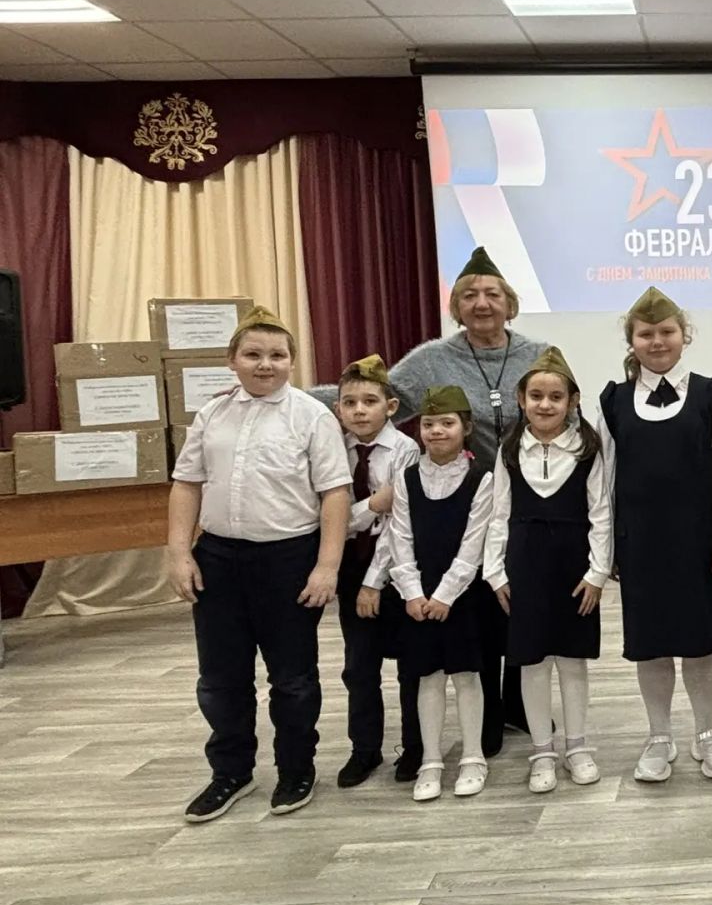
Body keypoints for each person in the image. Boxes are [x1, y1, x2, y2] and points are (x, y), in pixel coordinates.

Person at [310, 246, 545, 743]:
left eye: (492, 294)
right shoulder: (433, 358)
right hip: (462, 504)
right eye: (470, 295)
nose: (482, 303)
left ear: (510, 303)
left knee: (521, 602)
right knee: (481, 607)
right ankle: (488, 710)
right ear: (456, 307)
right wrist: (291, 398)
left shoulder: (535, 354)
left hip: (528, 501)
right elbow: (376, 392)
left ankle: (522, 704)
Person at [167, 306, 351, 823]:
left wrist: (327, 567)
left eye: (277, 355)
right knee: (219, 678)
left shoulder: (312, 416)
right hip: (218, 559)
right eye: (253, 354)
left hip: (287, 560)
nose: (265, 364)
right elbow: (187, 484)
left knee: (292, 679)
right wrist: (179, 552)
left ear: (292, 361)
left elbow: (335, 493)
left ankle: (296, 769)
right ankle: (231, 772)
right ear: (233, 360)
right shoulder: (213, 414)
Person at [598, 287, 712, 784]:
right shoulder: (613, 401)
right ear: (632, 341)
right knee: (651, 644)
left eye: (666, 332)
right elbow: (605, 479)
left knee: (700, 642)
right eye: (646, 334)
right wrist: (608, 546)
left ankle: (707, 732)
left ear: (685, 336)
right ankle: (659, 735)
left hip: (698, 543)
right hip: (640, 544)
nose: (657, 341)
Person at [484, 347, 611, 795]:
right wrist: (495, 572)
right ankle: (542, 750)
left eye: (556, 397)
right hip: (525, 566)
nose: (545, 404)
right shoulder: (509, 450)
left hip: (573, 568)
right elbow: (498, 514)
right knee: (531, 662)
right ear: (521, 399)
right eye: (536, 396)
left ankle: (577, 746)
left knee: (573, 660)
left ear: (572, 401)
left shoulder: (587, 450)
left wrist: (597, 572)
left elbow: (601, 513)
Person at [386, 385, 497, 802]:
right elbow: (399, 536)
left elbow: (474, 543)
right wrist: (412, 592)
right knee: (427, 677)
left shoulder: (481, 478)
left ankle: (473, 757)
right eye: (428, 423)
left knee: (467, 676)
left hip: (462, 595)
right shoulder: (406, 478)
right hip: (418, 596)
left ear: (465, 428)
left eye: (446, 423)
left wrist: (447, 594)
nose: (436, 431)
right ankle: (431, 759)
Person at [333, 354, 423, 788]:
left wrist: (375, 582)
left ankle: (414, 747)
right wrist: (370, 505)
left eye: (369, 401)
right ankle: (364, 748)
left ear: (390, 407)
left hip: (396, 571)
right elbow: (329, 517)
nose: (359, 411)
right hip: (350, 568)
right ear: (338, 409)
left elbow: (398, 525)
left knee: (410, 666)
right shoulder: (335, 450)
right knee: (359, 666)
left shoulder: (405, 450)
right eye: (349, 403)